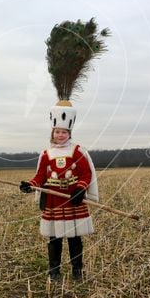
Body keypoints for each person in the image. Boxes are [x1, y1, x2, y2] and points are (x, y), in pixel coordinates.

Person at [20, 100, 99, 282]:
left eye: (64, 132)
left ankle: (77, 270)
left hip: (73, 201)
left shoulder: (78, 151)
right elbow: (40, 176)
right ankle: (54, 271)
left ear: (69, 133)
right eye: (57, 132)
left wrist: (80, 189)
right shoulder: (46, 154)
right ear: (52, 133)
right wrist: (30, 185)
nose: (60, 135)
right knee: (55, 238)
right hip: (54, 203)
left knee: (74, 238)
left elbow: (86, 174)